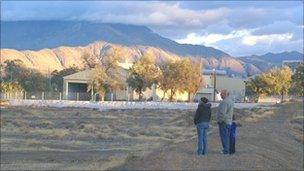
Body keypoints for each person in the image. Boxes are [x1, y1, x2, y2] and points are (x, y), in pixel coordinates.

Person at [217, 90, 234, 154]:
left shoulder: (224, 102)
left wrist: (220, 121)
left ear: (225, 94)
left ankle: (226, 150)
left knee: (224, 136)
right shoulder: (231, 101)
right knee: (227, 136)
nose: (220, 95)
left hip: (224, 122)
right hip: (229, 121)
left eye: (221, 94)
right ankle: (228, 149)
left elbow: (222, 113)